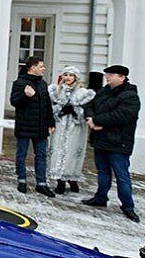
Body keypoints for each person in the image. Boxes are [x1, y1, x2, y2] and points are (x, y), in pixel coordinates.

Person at [81, 64, 141, 223]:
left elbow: (121, 116)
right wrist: (90, 119)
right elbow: (89, 105)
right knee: (102, 172)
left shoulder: (130, 96)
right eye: (107, 74)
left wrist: (97, 120)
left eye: (111, 74)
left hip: (119, 143)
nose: (107, 77)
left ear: (122, 77)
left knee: (122, 176)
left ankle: (128, 206)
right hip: (101, 140)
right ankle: (100, 197)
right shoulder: (104, 91)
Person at [10, 56, 56, 197]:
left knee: (41, 155)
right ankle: (22, 180)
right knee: (22, 154)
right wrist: (25, 95)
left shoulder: (43, 84)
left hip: (41, 127)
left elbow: (47, 105)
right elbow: (14, 102)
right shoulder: (19, 83)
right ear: (32, 68)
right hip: (25, 126)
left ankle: (41, 183)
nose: (44, 68)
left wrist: (51, 122)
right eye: (41, 66)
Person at [47, 66, 95, 194]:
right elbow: (51, 109)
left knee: (72, 152)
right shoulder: (57, 91)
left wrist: (75, 112)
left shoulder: (82, 93)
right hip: (60, 126)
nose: (68, 78)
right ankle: (60, 181)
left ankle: (72, 178)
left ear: (76, 78)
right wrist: (60, 110)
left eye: (71, 75)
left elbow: (86, 112)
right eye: (66, 75)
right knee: (59, 151)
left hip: (76, 128)